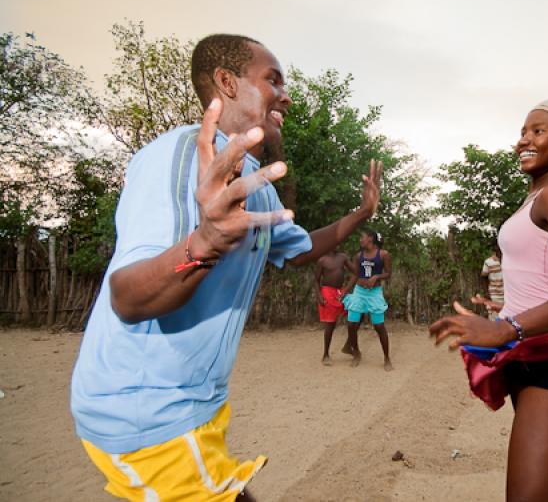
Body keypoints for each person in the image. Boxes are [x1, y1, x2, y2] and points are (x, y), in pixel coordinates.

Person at [70, 34, 382, 502]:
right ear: (226, 83)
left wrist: (361, 214)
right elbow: (129, 298)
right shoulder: (181, 157)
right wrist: (207, 241)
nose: (287, 95)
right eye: (272, 79)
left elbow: (296, 251)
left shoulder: (255, 184)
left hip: (195, 406)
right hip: (148, 411)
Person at [430, 98, 548, 501]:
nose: (523, 140)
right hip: (526, 356)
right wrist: (506, 310)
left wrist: (506, 327)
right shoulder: (538, 197)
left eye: (538, 131)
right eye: (522, 132)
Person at [342, 228, 393, 371]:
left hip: (374, 293)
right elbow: (355, 275)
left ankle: (387, 358)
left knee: (379, 326)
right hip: (359, 292)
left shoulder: (384, 254)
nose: (360, 240)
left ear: (370, 238)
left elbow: (388, 273)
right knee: (351, 324)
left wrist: (377, 277)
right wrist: (346, 290)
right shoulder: (358, 256)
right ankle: (356, 353)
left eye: (362, 237)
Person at [316, 248, 352, 365]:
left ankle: (349, 345)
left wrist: (346, 289)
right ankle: (325, 354)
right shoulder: (322, 260)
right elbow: (316, 280)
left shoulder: (343, 257)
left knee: (355, 314)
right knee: (330, 324)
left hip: (340, 292)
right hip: (327, 292)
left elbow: (355, 272)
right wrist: (319, 295)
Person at [480, 244, 504, 320]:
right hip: (495, 294)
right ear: (496, 251)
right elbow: (484, 277)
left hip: (507, 294)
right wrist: (486, 292)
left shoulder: (508, 261)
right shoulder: (488, 262)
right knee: (494, 317)